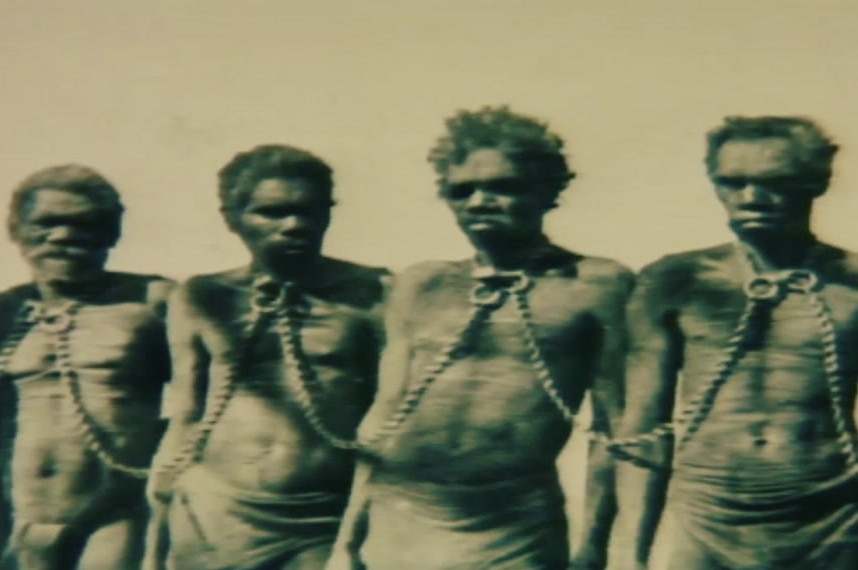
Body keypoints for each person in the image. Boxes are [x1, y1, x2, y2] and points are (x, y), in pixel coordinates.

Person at [326, 106, 632, 570]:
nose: (480, 201)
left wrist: (593, 550)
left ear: (549, 191)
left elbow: (614, 434)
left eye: (503, 186)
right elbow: (382, 418)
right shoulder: (421, 284)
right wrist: (346, 543)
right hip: (400, 514)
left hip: (514, 523)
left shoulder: (597, 285)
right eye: (462, 190)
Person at [613, 116, 858, 570]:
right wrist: (630, 554)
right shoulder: (674, 280)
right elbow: (642, 429)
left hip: (833, 516)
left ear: (816, 184)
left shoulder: (850, 283)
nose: (751, 198)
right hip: (708, 515)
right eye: (733, 182)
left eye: (775, 182)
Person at [143, 144, 389, 570]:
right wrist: (158, 527)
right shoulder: (201, 295)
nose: (295, 225)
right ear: (231, 218)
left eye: (309, 211)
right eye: (272, 213)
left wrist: (355, 537)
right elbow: (185, 413)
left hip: (323, 516)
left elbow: (388, 423)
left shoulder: (375, 294)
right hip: (214, 514)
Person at [0, 164, 173, 569]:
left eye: (84, 224)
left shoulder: (152, 302)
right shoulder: (7, 312)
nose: (63, 236)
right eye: (47, 223)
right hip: (22, 515)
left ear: (110, 234)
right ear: (16, 231)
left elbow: (213, 399)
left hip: (113, 516)